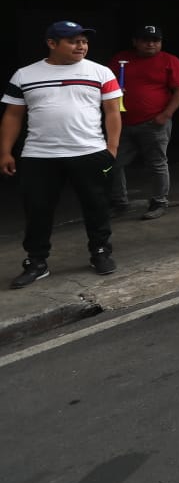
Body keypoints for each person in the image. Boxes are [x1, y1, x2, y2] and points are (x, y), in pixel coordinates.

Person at [3, 21, 123, 288]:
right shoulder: (25, 75)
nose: (81, 46)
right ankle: (36, 261)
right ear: (51, 43)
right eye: (73, 41)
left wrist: (111, 148)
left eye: (84, 41)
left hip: (89, 151)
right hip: (39, 155)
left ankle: (100, 251)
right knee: (38, 210)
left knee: (97, 206)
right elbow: (12, 115)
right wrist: (5, 152)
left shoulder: (100, 72)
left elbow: (113, 112)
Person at [107, 25, 179, 220]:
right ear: (135, 41)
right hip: (122, 122)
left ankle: (159, 202)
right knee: (113, 163)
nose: (151, 44)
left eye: (155, 40)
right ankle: (119, 203)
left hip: (155, 122)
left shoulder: (170, 60)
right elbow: (105, 84)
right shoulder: (120, 59)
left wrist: (166, 115)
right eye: (145, 40)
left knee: (157, 163)